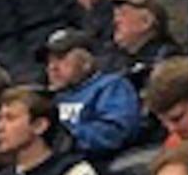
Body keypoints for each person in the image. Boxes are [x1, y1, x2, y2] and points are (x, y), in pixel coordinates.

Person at [39, 26, 149, 167]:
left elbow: (115, 133)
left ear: (86, 61)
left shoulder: (110, 86)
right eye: (49, 61)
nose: (52, 67)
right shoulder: (50, 98)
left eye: (61, 59)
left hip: (100, 167)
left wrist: (67, 136)